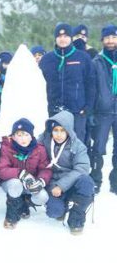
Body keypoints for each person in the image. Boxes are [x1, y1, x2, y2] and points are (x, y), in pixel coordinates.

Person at [38, 111, 94, 235]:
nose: (59, 134)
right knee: (54, 212)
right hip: (53, 183)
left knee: (86, 182)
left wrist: (62, 186)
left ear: (68, 130)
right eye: (55, 130)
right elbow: (30, 147)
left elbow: (82, 168)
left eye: (63, 130)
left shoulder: (78, 145)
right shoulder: (43, 141)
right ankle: (62, 206)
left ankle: (76, 218)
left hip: (72, 182)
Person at [39, 22, 95, 142]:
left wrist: (87, 107)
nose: (62, 39)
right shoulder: (47, 59)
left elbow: (90, 84)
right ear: (55, 38)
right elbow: (39, 84)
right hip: (54, 110)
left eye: (66, 36)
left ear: (71, 38)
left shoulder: (82, 57)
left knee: (77, 144)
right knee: (55, 143)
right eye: (59, 36)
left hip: (77, 111)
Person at [0, 118, 52, 229]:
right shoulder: (6, 147)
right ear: (13, 136)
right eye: (19, 135)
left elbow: (45, 169)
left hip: (30, 183)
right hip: (11, 183)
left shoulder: (39, 149)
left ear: (31, 136)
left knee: (43, 196)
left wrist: (41, 181)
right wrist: (20, 173)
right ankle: (11, 216)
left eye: (26, 134)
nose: (23, 138)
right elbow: (2, 170)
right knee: (16, 184)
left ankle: (24, 203)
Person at [90, 24, 117, 194]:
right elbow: (92, 88)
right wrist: (92, 111)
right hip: (102, 111)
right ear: (102, 40)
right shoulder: (97, 62)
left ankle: (115, 183)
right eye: (107, 38)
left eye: (113, 37)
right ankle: (95, 181)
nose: (110, 41)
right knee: (98, 148)